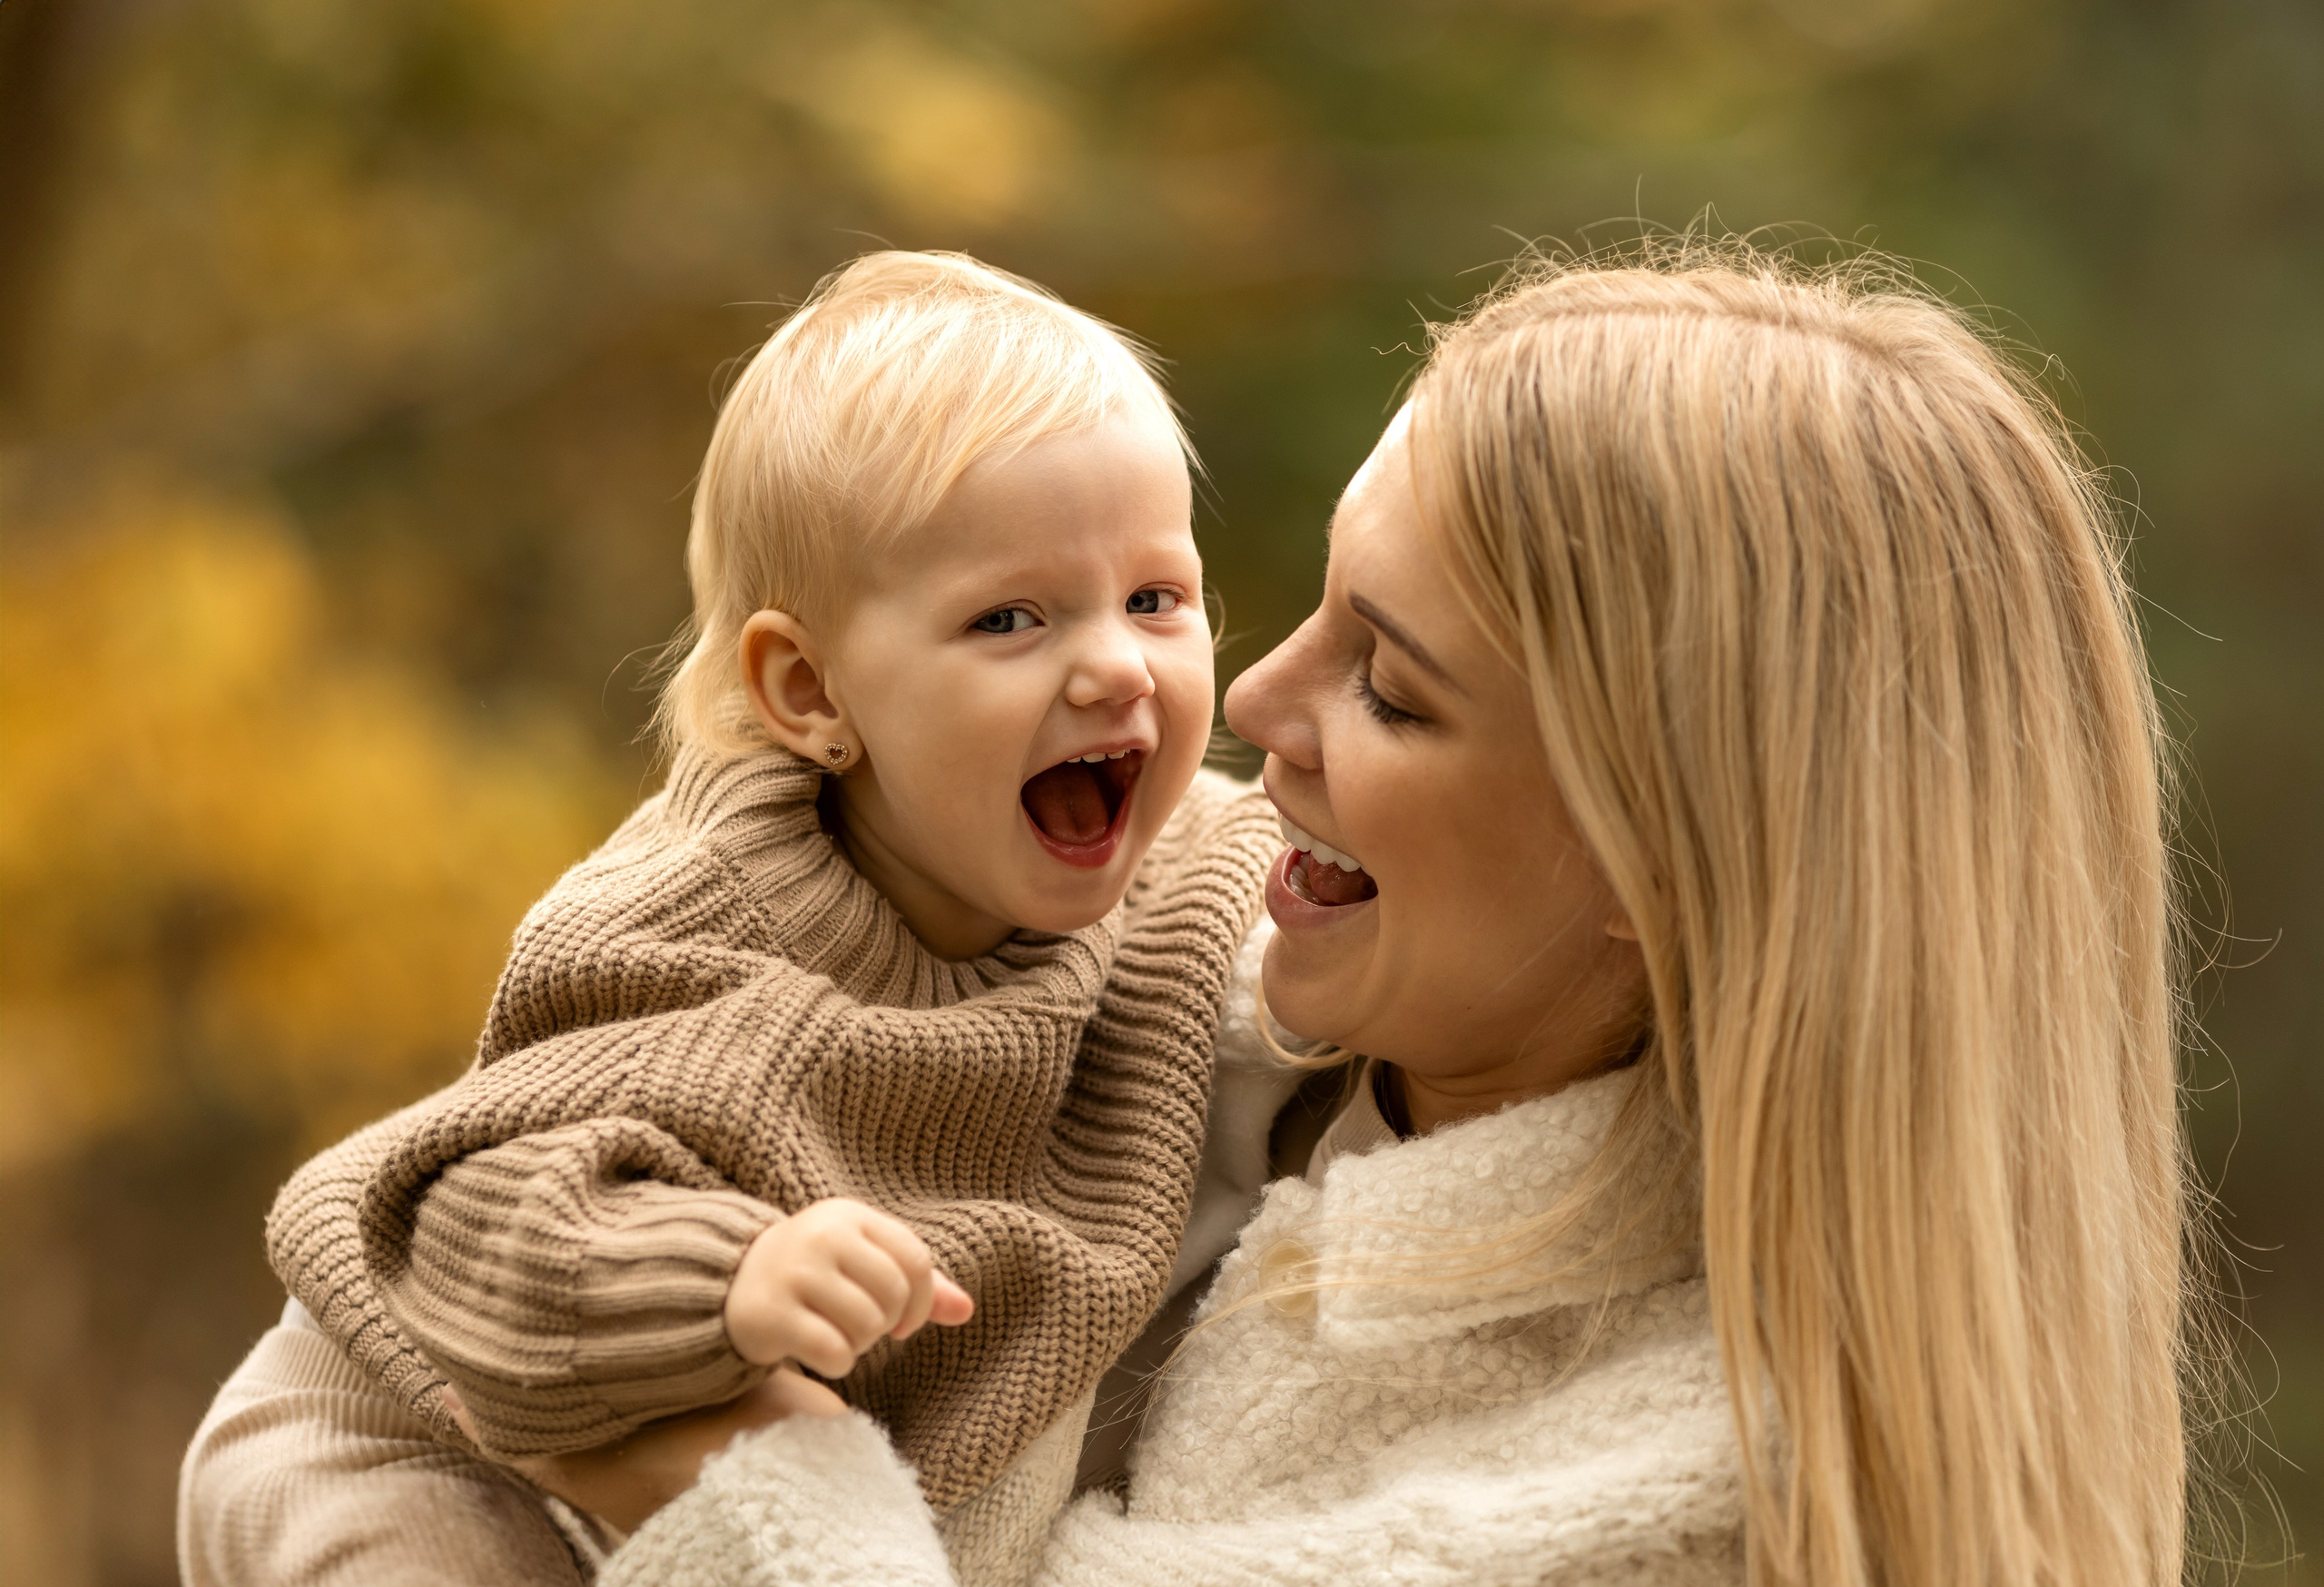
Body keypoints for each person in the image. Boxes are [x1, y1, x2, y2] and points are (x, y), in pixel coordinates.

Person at [586, 243, 2198, 1587]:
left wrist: (719, 1477)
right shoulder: (1065, 943)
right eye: (1303, 604)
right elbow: (358, 1382)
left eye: (1394, 691)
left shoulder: (1672, 1509)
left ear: (1665, 867)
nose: (1257, 700)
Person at [178, 251, 1306, 1585]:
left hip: (700, 1453)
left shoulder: (1186, 865)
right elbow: (490, 1214)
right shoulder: (699, 926)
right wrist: (729, 1275)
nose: (1117, 664)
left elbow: (1321, 922)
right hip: (423, 1423)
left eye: (1156, 599)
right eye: (1010, 619)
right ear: (811, 690)